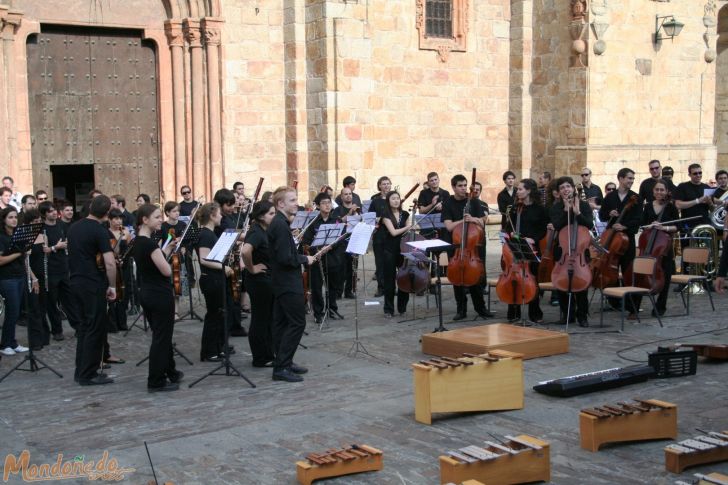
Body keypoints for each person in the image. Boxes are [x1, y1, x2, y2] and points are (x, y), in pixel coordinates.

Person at [67, 195, 117, 385]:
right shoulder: (99, 231)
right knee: (95, 328)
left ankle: (81, 370)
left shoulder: (74, 227)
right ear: (106, 214)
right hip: (92, 283)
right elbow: (110, 263)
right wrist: (112, 286)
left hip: (76, 281)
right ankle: (88, 373)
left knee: (84, 328)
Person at [268, 186, 316, 382]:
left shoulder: (280, 222)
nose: (296, 203)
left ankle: (284, 362)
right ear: (280, 204)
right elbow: (286, 258)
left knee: (282, 323)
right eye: (292, 200)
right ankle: (281, 367)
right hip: (287, 282)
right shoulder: (279, 225)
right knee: (297, 323)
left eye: (296, 199)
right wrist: (306, 259)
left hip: (282, 281)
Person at [133, 204, 183, 392]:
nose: (160, 220)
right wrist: (165, 256)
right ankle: (155, 381)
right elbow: (166, 270)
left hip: (147, 292)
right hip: (159, 295)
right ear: (145, 220)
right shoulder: (150, 244)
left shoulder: (138, 242)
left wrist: (167, 249)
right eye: (156, 217)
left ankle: (171, 372)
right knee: (162, 339)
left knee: (162, 336)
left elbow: (153, 262)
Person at [441, 174, 492, 320]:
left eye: (465, 185)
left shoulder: (474, 201)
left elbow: (482, 222)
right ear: (453, 187)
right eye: (460, 186)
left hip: (473, 245)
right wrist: (462, 221)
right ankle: (461, 310)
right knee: (458, 278)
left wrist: (474, 219)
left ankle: (480, 308)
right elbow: (449, 226)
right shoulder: (448, 203)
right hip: (457, 246)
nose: (464, 188)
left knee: (475, 278)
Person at [599, 168, 643, 317]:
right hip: (611, 240)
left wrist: (624, 226)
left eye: (632, 179)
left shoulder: (635, 197)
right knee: (609, 272)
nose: (631, 181)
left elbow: (638, 219)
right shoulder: (610, 197)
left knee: (629, 274)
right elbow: (602, 215)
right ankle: (615, 302)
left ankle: (633, 308)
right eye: (629, 178)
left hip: (626, 240)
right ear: (620, 179)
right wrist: (608, 214)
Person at [550, 177, 593, 326]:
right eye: (562, 188)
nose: (565, 190)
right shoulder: (556, 207)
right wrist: (566, 211)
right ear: (559, 191)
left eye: (568, 186)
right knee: (562, 284)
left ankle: (582, 316)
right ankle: (567, 315)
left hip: (580, 251)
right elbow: (556, 226)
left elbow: (590, 225)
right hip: (563, 250)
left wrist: (578, 213)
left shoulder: (584, 205)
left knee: (582, 285)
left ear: (573, 188)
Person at [632, 179, 679, 316]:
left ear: (666, 192)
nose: (659, 192)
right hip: (648, 248)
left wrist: (663, 227)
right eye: (657, 190)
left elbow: (678, 227)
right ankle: (635, 307)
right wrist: (649, 226)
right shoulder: (647, 207)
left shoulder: (671, 207)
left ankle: (660, 307)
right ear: (653, 191)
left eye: (662, 190)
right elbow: (642, 225)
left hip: (663, 249)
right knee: (641, 276)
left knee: (666, 277)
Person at [502, 179, 547, 322]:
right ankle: (514, 311)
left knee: (532, 280)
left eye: (520, 189)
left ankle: (534, 312)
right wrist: (510, 235)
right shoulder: (515, 208)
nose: (518, 191)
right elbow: (508, 228)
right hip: (515, 248)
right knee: (513, 278)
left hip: (531, 248)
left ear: (529, 191)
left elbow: (543, 228)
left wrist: (534, 238)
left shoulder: (540, 209)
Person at [241, 200, 276, 367]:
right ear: (261, 216)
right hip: (258, 281)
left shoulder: (263, 229)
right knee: (260, 319)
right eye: (271, 213)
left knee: (266, 318)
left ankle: (268, 353)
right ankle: (260, 357)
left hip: (265, 280)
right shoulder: (256, 231)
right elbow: (245, 250)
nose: (274, 216)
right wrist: (252, 268)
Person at [196, 202, 232, 362]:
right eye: (219, 213)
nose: (221, 216)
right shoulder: (205, 234)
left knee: (219, 314)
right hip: (211, 279)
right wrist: (223, 268)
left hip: (215, 278)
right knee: (213, 315)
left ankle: (217, 348)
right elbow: (204, 259)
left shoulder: (211, 233)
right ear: (211, 215)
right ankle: (209, 352)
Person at [39, 201, 79, 341]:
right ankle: (57, 330)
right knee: (52, 303)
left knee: (69, 300)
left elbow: (68, 243)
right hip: (49, 271)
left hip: (64, 268)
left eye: (54, 210)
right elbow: (44, 251)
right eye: (50, 211)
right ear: (44, 214)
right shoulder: (41, 229)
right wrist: (56, 247)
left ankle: (78, 327)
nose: (54, 213)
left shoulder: (62, 226)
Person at [302, 192, 344, 324]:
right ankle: (318, 312)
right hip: (317, 259)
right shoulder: (313, 222)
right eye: (324, 203)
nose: (327, 205)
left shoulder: (336, 219)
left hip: (333, 258)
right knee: (317, 286)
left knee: (332, 286)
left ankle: (331, 308)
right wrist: (317, 250)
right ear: (318, 206)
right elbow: (306, 241)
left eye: (329, 203)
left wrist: (330, 247)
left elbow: (341, 238)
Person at [0, 207, 30, 355]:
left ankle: (12, 342)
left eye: (15, 217)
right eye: (10, 217)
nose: (14, 220)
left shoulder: (18, 235)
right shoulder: (1, 237)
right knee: (12, 311)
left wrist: (25, 253)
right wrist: (19, 252)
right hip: (7, 278)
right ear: (4, 220)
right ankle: (5, 344)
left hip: (19, 276)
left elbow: (22, 256)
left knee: (17, 311)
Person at [674, 164, 713, 275]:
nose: (698, 175)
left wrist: (710, 203)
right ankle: (685, 280)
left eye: (700, 173)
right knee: (687, 252)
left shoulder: (707, 188)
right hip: (688, 225)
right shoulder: (683, 186)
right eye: (695, 173)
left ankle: (706, 280)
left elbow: (712, 208)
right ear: (689, 174)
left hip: (704, 225)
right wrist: (697, 201)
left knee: (705, 253)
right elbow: (678, 204)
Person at [379, 190, 412, 317]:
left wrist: (412, 228)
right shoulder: (385, 215)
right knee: (389, 281)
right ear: (388, 201)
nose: (396, 200)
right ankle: (388, 309)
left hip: (404, 250)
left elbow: (410, 230)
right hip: (389, 250)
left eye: (397, 198)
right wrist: (408, 227)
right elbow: (393, 232)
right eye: (393, 198)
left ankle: (402, 308)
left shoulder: (405, 214)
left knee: (404, 278)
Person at [332, 187, 360, 298]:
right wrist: (350, 212)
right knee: (341, 268)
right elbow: (338, 222)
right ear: (342, 196)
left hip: (354, 240)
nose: (348, 196)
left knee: (352, 268)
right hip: (342, 242)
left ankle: (349, 291)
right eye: (346, 194)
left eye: (350, 194)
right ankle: (338, 292)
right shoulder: (338, 209)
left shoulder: (357, 209)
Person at [107, 209, 131, 332]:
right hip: (112, 266)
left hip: (124, 266)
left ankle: (122, 322)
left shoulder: (126, 232)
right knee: (113, 295)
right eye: (115, 219)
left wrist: (124, 259)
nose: (118, 221)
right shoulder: (106, 233)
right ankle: (112, 323)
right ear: (109, 220)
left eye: (120, 219)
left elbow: (130, 249)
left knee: (124, 294)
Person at [368, 176, 392, 297]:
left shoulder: (394, 199)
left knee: (391, 263)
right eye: (384, 184)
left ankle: (391, 287)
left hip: (392, 236)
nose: (386, 186)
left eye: (388, 184)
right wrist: (379, 219)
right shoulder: (375, 201)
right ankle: (381, 288)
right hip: (379, 235)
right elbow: (370, 218)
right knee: (380, 263)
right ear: (380, 186)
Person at [417, 172, 450, 238]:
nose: (434, 182)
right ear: (428, 182)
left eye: (435, 179)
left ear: (439, 180)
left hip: (442, 228)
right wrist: (432, 204)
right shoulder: (423, 193)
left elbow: (449, 211)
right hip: (427, 229)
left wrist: (443, 208)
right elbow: (421, 211)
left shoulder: (445, 193)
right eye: (431, 180)